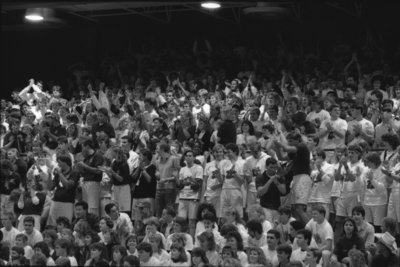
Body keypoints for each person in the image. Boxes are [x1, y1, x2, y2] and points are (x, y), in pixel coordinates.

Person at [273, 132, 311, 225]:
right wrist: (277, 147)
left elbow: (286, 148)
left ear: (297, 140)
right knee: (294, 208)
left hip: (303, 178)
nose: (289, 143)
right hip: (296, 178)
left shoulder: (302, 147)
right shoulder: (294, 151)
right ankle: (300, 228)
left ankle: (312, 229)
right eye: (288, 141)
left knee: (299, 208)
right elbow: (281, 157)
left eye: (290, 141)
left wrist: (278, 142)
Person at [176, 149, 203, 237]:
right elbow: (179, 185)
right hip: (182, 196)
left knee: (191, 221)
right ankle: (181, 238)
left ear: (194, 157)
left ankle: (191, 240)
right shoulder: (182, 169)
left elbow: (198, 185)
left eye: (190, 155)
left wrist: (189, 182)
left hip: (193, 197)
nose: (188, 157)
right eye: (186, 156)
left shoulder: (199, 168)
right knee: (181, 221)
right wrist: (186, 182)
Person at [47, 155, 80, 226]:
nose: (58, 165)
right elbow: (50, 187)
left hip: (67, 202)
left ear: (65, 163)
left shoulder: (74, 172)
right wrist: (49, 174)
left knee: (65, 224)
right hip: (56, 201)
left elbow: (68, 185)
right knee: (53, 224)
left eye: (59, 162)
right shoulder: (58, 173)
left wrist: (60, 174)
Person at [77, 139, 104, 217]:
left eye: (83, 147)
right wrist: (80, 168)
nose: (82, 150)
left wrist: (84, 166)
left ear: (87, 147)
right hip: (86, 182)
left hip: (94, 183)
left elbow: (99, 171)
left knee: (92, 206)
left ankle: (94, 223)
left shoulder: (98, 156)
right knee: (86, 206)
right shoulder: (87, 158)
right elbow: (85, 172)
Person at [256, 157, 287, 225]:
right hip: (265, 207)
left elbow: (284, 191)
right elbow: (260, 192)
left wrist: (276, 182)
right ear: (266, 167)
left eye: (275, 167)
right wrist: (270, 180)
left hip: (277, 207)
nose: (273, 170)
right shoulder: (260, 177)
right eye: (271, 167)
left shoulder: (280, 177)